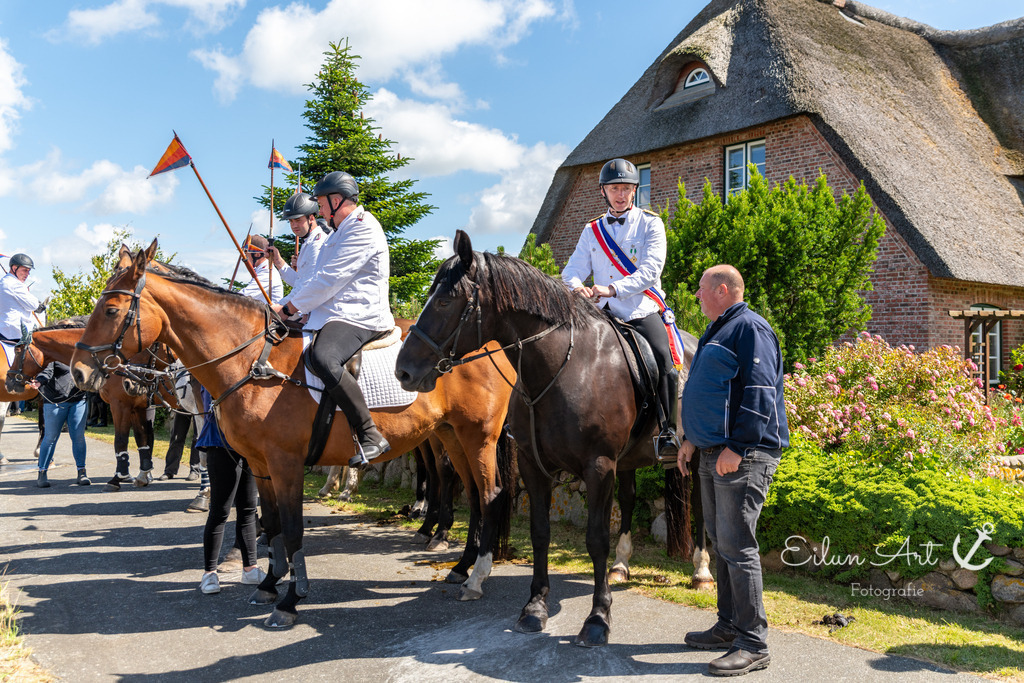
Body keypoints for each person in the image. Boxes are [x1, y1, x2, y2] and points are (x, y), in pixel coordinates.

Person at [676, 264, 789, 677]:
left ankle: (753, 644)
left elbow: (760, 392)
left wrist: (738, 447)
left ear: (722, 289)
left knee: (738, 547)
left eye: (701, 289)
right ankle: (728, 626)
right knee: (723, 544)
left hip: (743, 455)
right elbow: (709, 391)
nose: (697, 296)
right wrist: (692, 440)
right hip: (712, 453)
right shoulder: (717, 330)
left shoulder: (750, 328)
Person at [270, 171, 395, 468]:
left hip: (360, 315)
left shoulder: (362, 228)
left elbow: (329, 279)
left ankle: (369, 433)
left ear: (337, 200)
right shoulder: (339, 231)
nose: (320, 208)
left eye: (322, 203)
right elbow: (314, 281)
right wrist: (287, 310)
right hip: (335, 313)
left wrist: (287, 309)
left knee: (323, 357)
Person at [561, 158, 680, 461]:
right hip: (601, 312)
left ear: (634, 191)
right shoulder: (592, 230)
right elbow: (572, 270)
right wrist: (577, 287)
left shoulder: (651, 223)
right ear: (603, 191)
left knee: (663, 360)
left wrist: (613, 289)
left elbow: (651, 271)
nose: (621, 194)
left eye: (626, 188)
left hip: (640, 309)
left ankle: (668, 432)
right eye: (615, 188)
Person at [196, 387, 266, 594]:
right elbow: (215, 408)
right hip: (221, 444)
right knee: (220, 511)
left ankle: (250, 569)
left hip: (248, 445)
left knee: (248, 510)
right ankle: (209, 574)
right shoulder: (213, 378)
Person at [30, 361, 90, 488]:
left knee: (78, 437)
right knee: (50, 438)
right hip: (54, 403)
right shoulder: (55, 356)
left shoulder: (80, 355)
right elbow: (47, 371)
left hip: (79, 400)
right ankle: (42, 472)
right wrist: (39, 381)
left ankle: (82, 472)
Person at [266, 192, 327, 297]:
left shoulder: (317, 244)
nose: (294, 225)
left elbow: (309, 287)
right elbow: (298, 282)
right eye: (291, 221)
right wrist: (278, 261)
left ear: (311, 218)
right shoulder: (308, 242)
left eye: (298, 220)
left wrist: (283, 305)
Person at [0, 253, 44, 342]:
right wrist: (38, 303)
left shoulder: (3, 282)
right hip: (15, 332)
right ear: (14, 268)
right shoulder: (15, 284)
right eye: (25, 270)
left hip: (4, 330)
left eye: (29, 271)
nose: (27, 274)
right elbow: (33, 305)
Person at [238, 234, 283, 304]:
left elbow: (243, 296)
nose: (245, 258)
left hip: (271, 311)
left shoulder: (267, 272)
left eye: (246, 254)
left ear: (257, 254)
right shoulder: (261, 269)